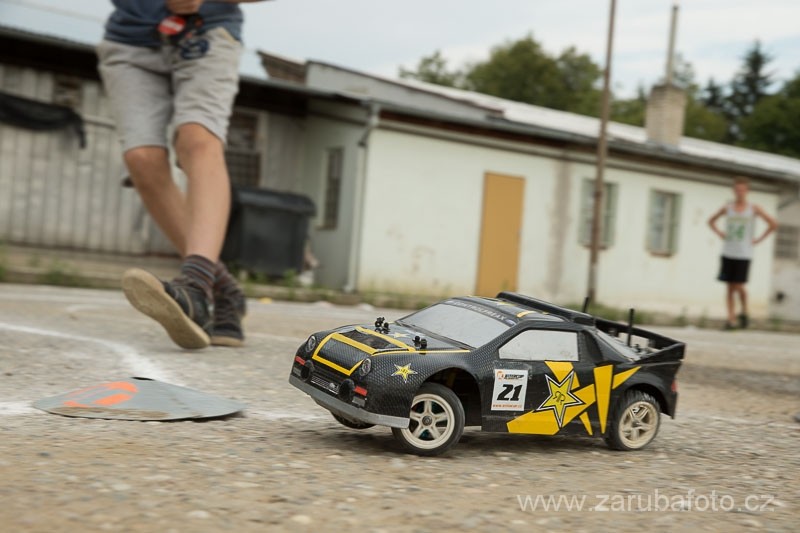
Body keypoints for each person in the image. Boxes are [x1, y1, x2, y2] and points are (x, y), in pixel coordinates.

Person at [97, 0, 265, 349]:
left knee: (198, 140)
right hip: (128, 39)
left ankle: (197, 286)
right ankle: (224, 290)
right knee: (142, 158)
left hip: (207, 31)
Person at [708, 177, 778, 330]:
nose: (739, 192)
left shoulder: (753, 208)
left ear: (747, 191)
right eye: (737, 189)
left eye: (742, 190)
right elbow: (711, 221)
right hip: (728, 251)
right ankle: (731, 319)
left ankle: (744, 310)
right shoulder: (728, 208)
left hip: (744, 253)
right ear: (734, 191)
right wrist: (720, 233)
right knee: (729, 287)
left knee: (739, 285)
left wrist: (758, 239)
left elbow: (773, 224)